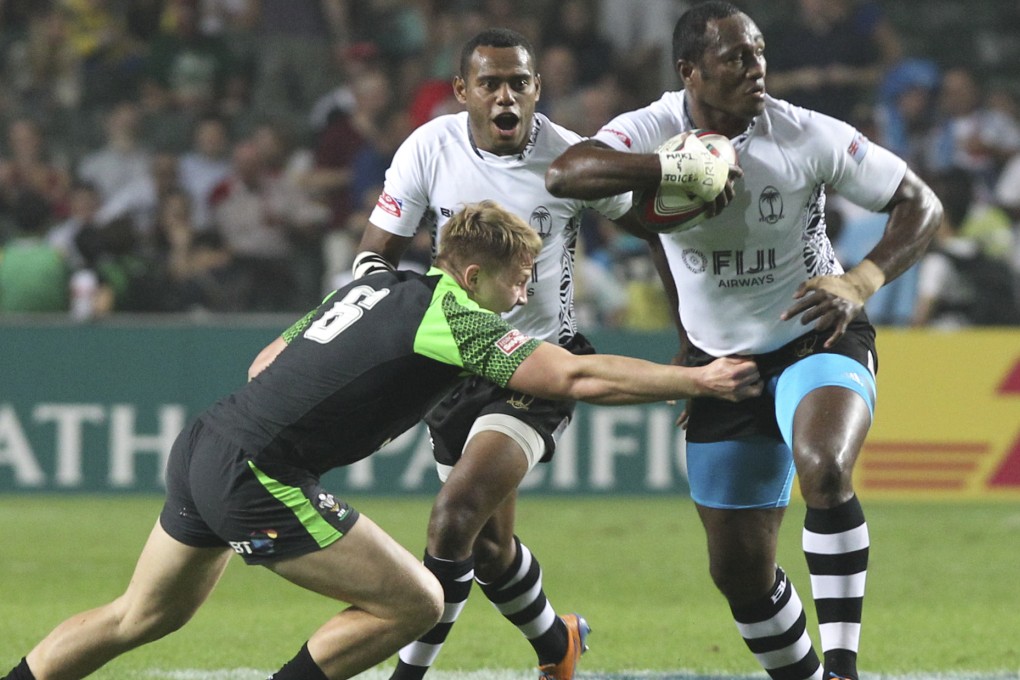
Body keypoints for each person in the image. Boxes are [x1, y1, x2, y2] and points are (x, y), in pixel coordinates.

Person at [2, 201, 762, 680]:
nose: (525, 294)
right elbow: (575, 379)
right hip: (256, 474)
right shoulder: (455, 317)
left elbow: (264, 361)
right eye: (519, 279)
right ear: (471, 273)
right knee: (418, 600)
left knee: (140, 616)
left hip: (206, 441)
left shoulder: (369, 286)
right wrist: (698, 381)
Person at [545, 3, 943, 680]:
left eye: (758, 54)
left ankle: (843, 669)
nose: (754, 68)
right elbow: (567, 174)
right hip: (721, 363)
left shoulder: (805, 133)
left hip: (816, 335)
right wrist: (674, 169)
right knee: (739, 575)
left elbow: (920, 204)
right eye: (735, 57)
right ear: (689, 71)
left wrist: (864, 278)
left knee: (823, 467)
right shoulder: (653, 128)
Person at [351, 27, 666, 680]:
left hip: (536, 364)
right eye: (489, 83)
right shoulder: (428, 149)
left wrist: (695, 333)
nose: (505, 96)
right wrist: (372, 343)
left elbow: (656, 234)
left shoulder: (571, 161)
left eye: (518, 83)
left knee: (453, 520)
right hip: (448, 366)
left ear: (536, 90)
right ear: (463, 92)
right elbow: (374, 254)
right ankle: (558, 644)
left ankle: (407, 673)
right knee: (489, 550)